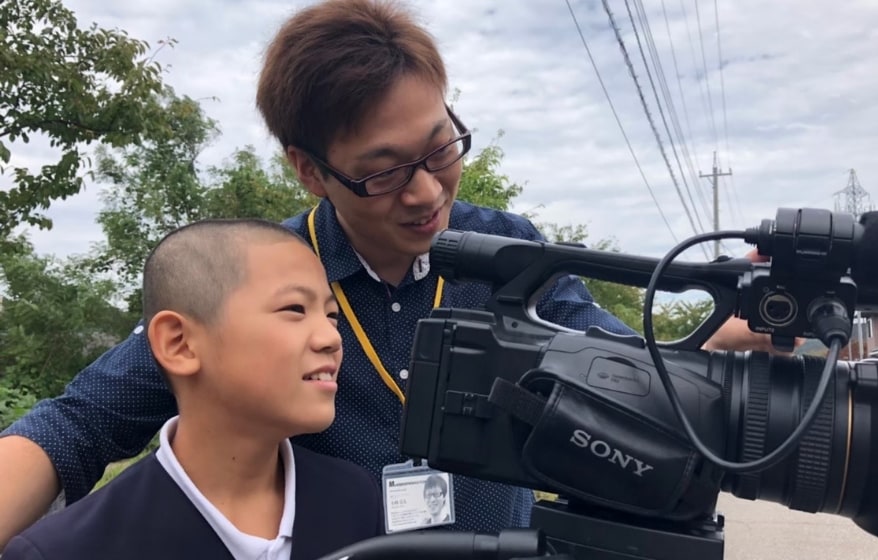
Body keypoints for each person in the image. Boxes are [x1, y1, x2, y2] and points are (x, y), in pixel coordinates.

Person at [0, 0, 780, 546]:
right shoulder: (259, 281)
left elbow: (623, 371)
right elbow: (77, 425)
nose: (427, 191)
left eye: (441, 149)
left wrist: (725, 340)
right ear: (309, 170)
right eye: (383, 171)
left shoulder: (510, 254)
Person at [1, 219, 385, 559]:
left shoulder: (352, 498)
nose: (330, 338)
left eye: (332, 315)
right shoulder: (67, 549)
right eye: (295, 310)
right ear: (179, 344)